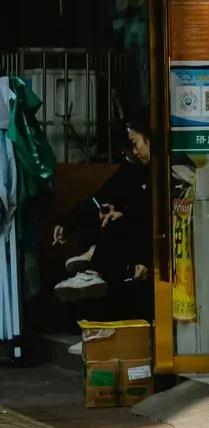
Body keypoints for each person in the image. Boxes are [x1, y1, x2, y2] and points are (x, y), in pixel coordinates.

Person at [52, 112, 152, 315]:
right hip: (126, 239)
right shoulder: (129, 169)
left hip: (145, 242)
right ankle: (94, 256)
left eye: (133, 145)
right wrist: (66, 223)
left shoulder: (162, 169)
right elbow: (98, 198)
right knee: (99, 213)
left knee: (118, 224)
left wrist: (124, 214)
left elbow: (152, 216)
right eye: (126, 149)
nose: (131, 152)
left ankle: (94, 265)